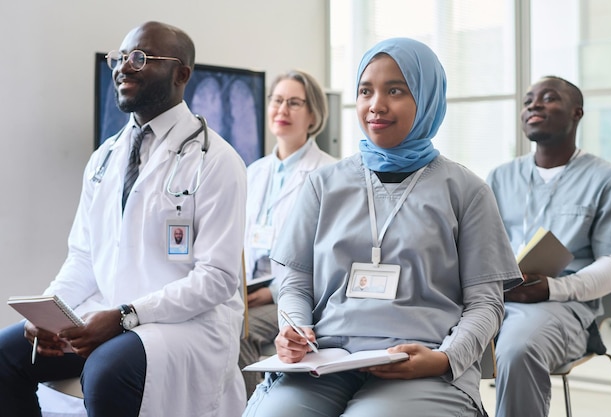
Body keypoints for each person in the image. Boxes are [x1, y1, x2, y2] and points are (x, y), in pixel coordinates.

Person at [243, 37, 522, 417]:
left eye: (395, 90)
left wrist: (444, 359)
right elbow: (295, 283)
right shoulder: (323, 185)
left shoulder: (466, 191)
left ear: (427, 98)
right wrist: (295, 329)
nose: (376, 105)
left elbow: (486, 304)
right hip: (325, 361)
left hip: (421, 366)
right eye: (365, 91)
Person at [0, 21, 247, 417]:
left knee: (105, 371)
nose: (122, 68)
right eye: (120, 58)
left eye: (140, 58)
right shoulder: (104, 158)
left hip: (187, 327)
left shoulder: (217, 161)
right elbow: (83, 255)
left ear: (182, 74)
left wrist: (126, 316)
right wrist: (49, 311)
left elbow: (217, 279)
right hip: (112, 315)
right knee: (7, 353)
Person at [486, 76, 611, 417]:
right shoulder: (499, 178)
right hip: (494, 300)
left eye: (548, 98)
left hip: (563, 308)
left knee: (518, 348)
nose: (533, 105)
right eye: (528, 100)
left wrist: (554, 288)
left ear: (576, 113)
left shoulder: (607, 180)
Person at [239, 69, 337, 397]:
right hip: (246, 291)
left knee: (238, 331)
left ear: (313, 115)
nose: (282, 110)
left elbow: (326, 256)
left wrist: (271, 290)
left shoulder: (328, 173)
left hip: (292, 294)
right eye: (277, 100)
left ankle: (253, 407)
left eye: (294, 103)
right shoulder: (253, 172)